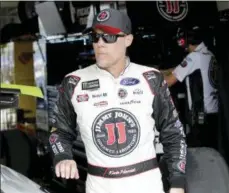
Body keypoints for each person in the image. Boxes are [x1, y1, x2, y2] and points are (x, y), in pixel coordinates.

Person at [48, 8, 187, 193]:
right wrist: (62, 156)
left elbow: (173, 133)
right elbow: (58, 131)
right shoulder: (74, 82)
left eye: (109, 37)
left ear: (128, 40)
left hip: (146, 186)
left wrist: (178, 181)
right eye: (95, 37)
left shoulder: (150, 78)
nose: (100, 44)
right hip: (99, 186)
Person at [161, 27, 219, 149]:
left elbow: (169, 81)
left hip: (200, 115)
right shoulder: (209, 54)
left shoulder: (194, 57)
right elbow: (177, 70)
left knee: (198, 154)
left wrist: (146, 80)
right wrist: (157, 71)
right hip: (213, 112)